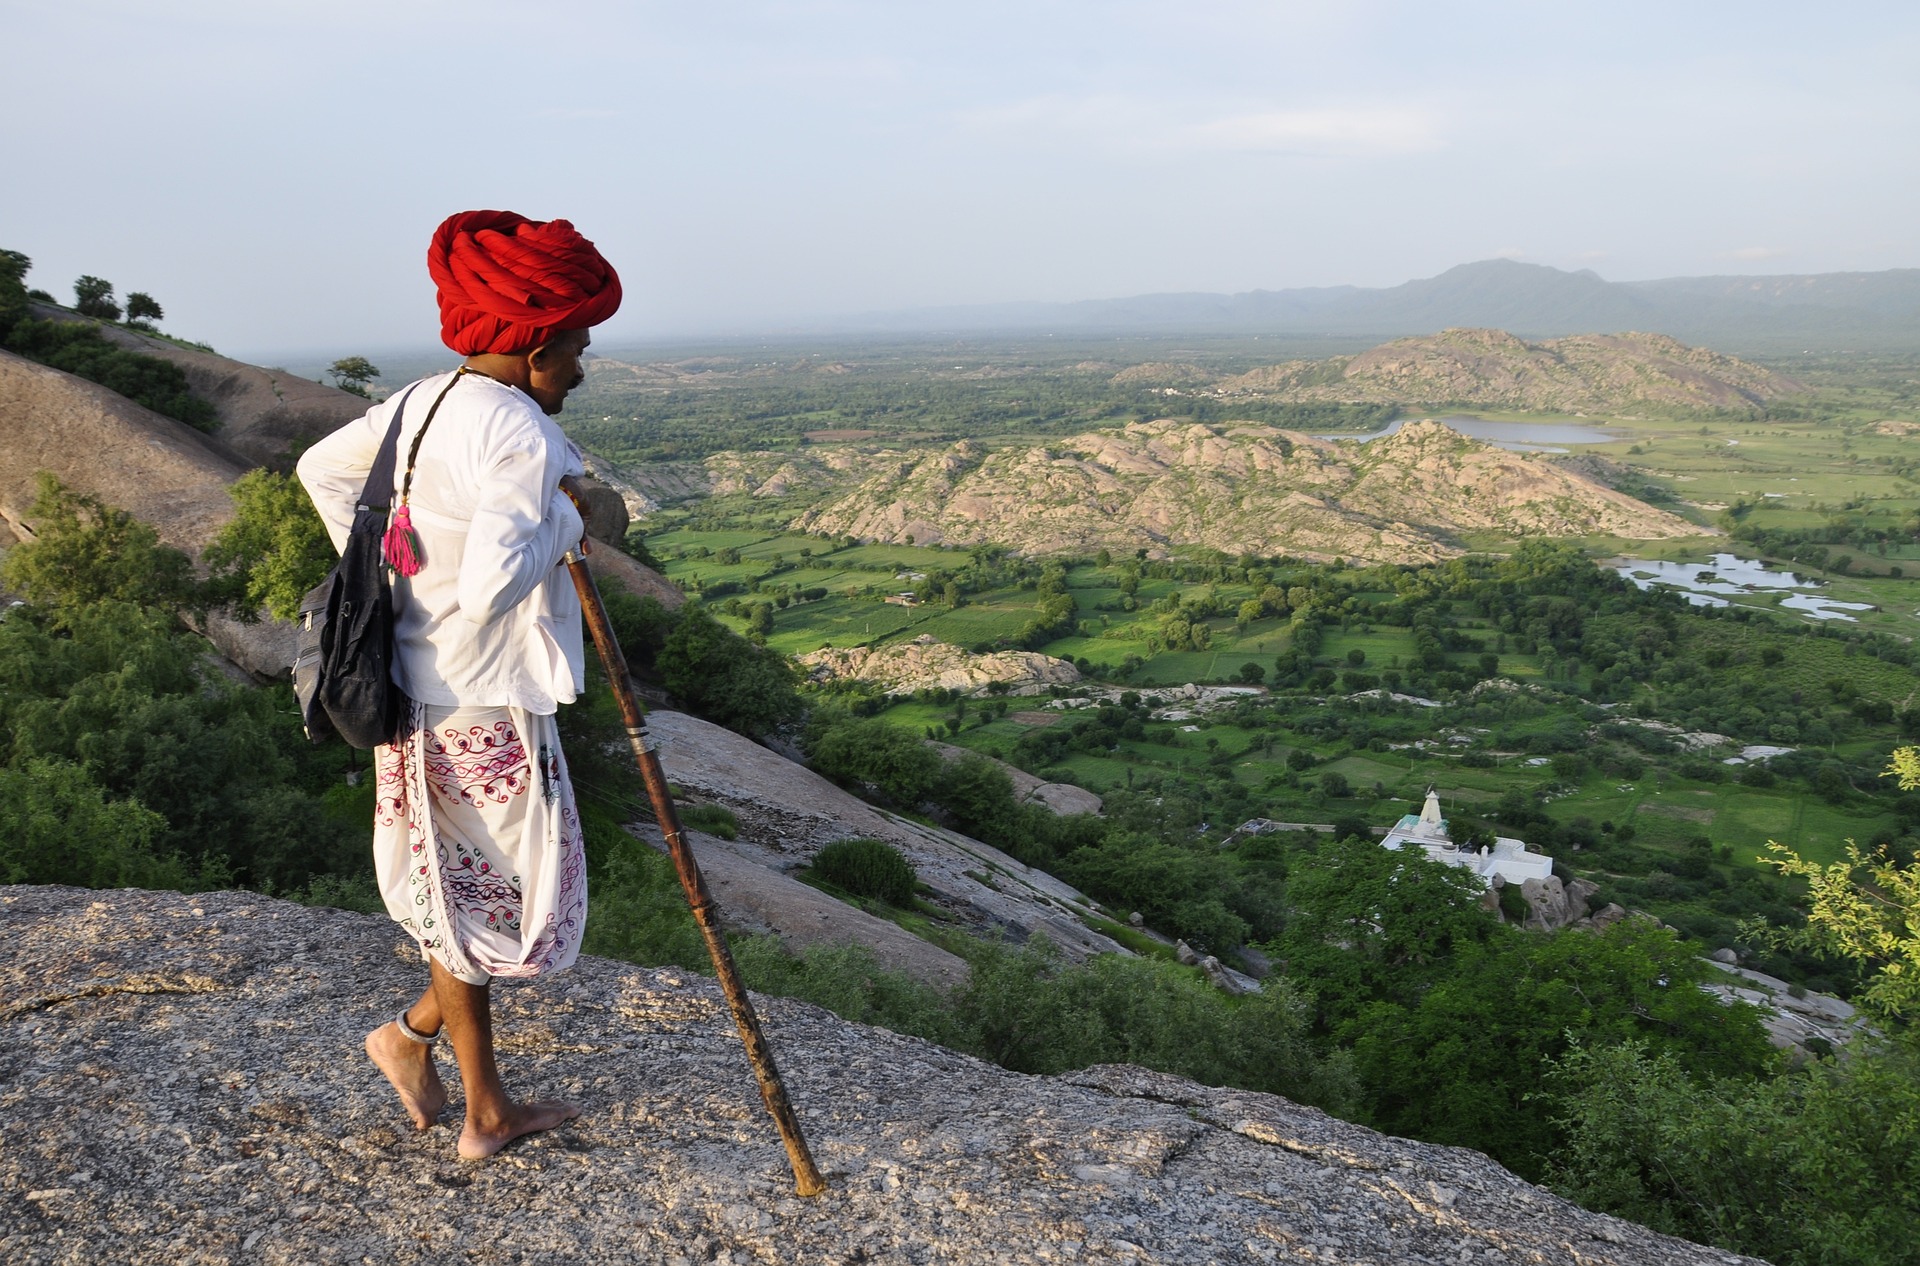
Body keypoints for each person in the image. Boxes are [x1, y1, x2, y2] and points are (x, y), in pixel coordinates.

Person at [297, 210, 622, 1159]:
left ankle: (416, 1046)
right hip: (482, 697)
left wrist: (397, 572)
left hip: (409, 685)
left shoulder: (422, 400)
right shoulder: (521, 431)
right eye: (574, 347)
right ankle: (472, 1102)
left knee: (452, 892)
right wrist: (568, 525)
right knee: (500, 906)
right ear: (530, 347)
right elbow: (489, 592)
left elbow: (322, 470)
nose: (580, 368)